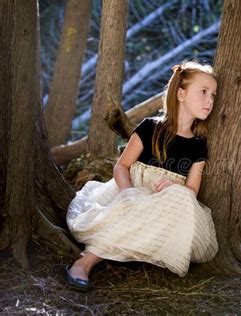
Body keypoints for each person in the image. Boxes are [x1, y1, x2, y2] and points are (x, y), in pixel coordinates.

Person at [65, 61, 219, 292]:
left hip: (167, 206)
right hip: (133, 194)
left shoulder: (199, 146)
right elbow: (122, 166)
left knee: (180, 197)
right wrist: (127, 191)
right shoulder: (149, 128)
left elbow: (192, 191)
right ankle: (84, 263)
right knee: (134, 208)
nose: (210, 100)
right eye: (203, 92)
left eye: (214, 95)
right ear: (180, 93)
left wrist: (172, 187)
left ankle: (120, 248)